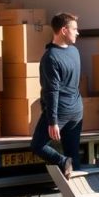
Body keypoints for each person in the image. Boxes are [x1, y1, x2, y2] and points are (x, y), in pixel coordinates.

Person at [31, 12, 82, 177]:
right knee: (73, 152)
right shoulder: (74, 52)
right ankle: (79, 186)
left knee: (38, 146)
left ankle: (62, 161)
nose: (78, 32)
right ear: (63, 30)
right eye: (74, 29)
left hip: (61, 111)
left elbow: (52, 91)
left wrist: (52, 121)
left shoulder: (50, 57)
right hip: (77, 111)